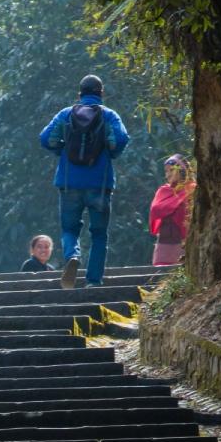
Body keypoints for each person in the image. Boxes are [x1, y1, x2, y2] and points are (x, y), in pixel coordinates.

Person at [39, 74, 130, 289]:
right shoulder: (109, 115)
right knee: (99, 234)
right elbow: (121, 139)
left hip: (69, 182)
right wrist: (109, 152)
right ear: (101, 93)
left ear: (79, 94)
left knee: (69, 229)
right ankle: (93, 281)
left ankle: (72, 255)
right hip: (100, 183)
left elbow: (45, 138)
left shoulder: (65, 114)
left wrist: (62, 149)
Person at [149, 153, 196, 266]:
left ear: (181, 170)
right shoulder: (163, 191)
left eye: (171, 170)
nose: (168, 174)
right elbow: (155, 211)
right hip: (165, 239)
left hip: (184, 240)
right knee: (161, 271)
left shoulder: (191, 189)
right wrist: (172, 207)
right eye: (166, 171)